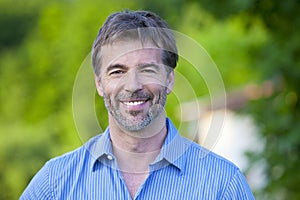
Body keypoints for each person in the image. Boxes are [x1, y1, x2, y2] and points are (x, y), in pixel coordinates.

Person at [20, 10, 255, 199]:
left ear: (169, 79)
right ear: (99, 84)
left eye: (147, 70)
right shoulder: (54, 183)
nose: (133, 85)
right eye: (117, 71)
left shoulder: (224, 184)